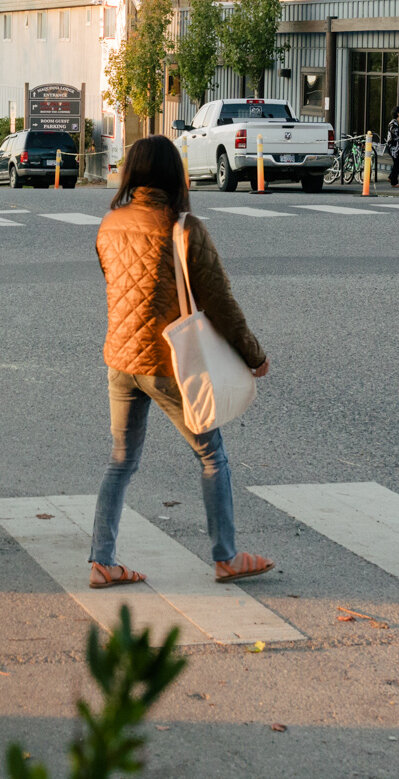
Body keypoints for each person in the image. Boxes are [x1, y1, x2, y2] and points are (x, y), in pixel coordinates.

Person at [86, 136, 274, 590]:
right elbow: (220, 304)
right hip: (167, 363)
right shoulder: (183, 228)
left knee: (121, 460)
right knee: (212, 455)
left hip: (121, 358)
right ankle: (226, 556)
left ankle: (102, 561)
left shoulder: (109, 224)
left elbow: (115, 283)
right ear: (175, 175)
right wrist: (254, 355)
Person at [383, 106, 399, 188]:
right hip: (394, 147)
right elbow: (395, 135)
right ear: (398, 113)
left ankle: (391, 178)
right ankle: (394, 182)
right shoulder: (393, 123)